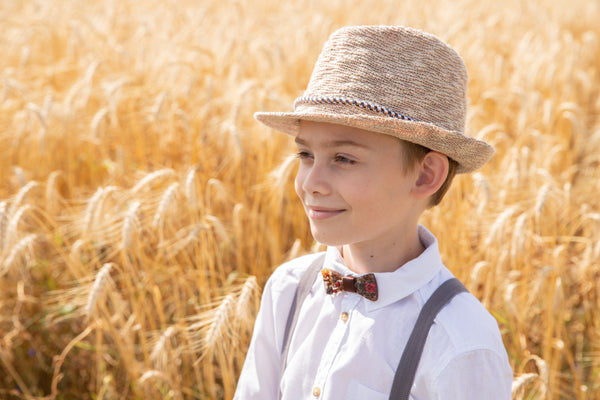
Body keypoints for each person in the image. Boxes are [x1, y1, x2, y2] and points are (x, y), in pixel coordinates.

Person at [234, 25, 513, 399]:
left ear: (426, 175)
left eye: (344, 158)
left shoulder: (459, 339)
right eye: (305, 154)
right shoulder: (288, 290)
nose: (310, 182)